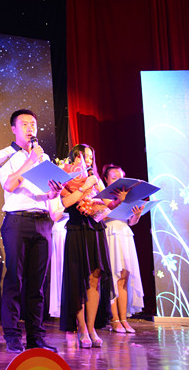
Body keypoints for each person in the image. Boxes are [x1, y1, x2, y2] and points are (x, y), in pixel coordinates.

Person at [0, 109, 61, 354]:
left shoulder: (43, 157)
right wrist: (30, 160)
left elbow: (47, 193)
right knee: (15, 280)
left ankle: (36, 337)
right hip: (17, 221)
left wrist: (54, 192)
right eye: (24, 124)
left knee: (37, 285)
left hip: (42, 221)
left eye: (33, 123)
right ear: (14, 128)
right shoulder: (5, 154)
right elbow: (10, 184)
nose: (30, 127)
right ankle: (13, 336)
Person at [57, 144, 123, 348]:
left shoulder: (95, 180)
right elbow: (65, 203)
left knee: (95, 279)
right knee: (78, 280)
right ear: (73, 158)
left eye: (90, 157)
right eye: (83, 156)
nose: (87, 160)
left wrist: (119, 200)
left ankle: (92, 328)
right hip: (77, 229)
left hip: (95, 229)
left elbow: (108, 205)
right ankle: (82, 329)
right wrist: (84, 188)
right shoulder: (65, 177)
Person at [101, 164, 144, 334]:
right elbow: (105, 213)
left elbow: (131, 221)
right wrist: (121, 201)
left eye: (120, 178)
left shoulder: (128, 197)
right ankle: (114, 319)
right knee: (114, 276)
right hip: (111, 233)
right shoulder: (103, 195)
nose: (117, 181)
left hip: (125, 233)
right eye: (113, 178)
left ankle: (124, 318)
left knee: (124, 277)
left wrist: (137, 214)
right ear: (106, 179)